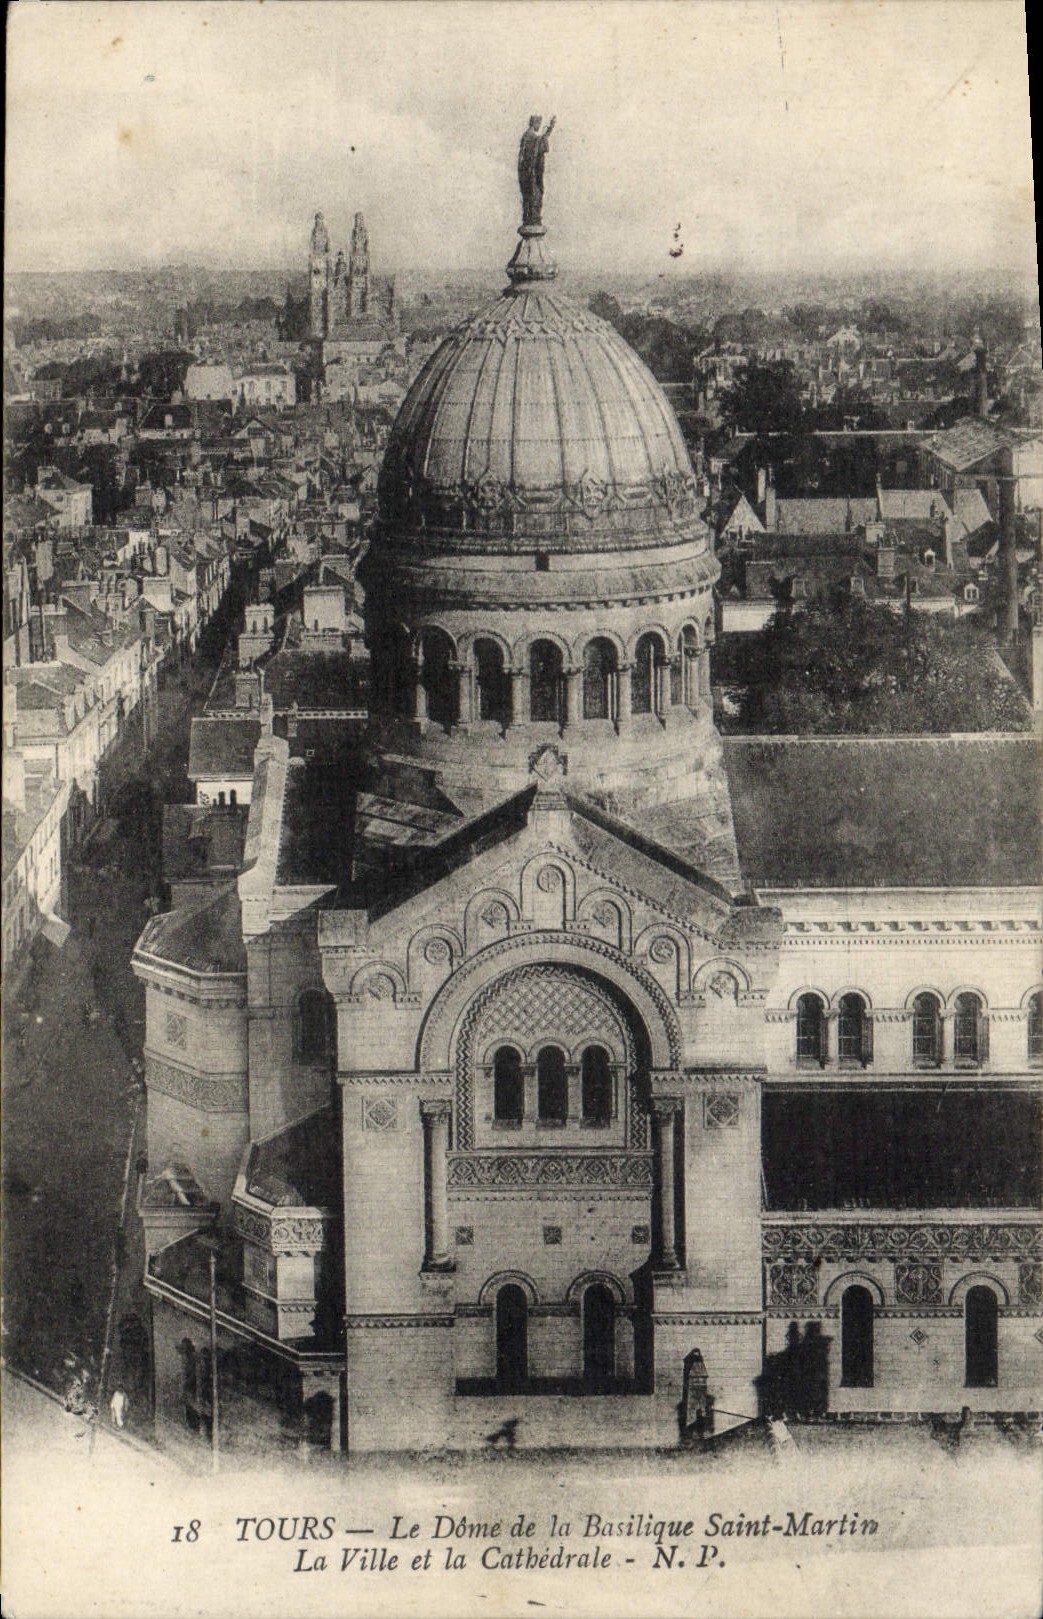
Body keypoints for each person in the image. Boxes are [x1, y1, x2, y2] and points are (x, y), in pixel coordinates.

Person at [518, 115, 557, 228]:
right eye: (539, 124)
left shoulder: (526, 137)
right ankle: (532, 217)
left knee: (531, 196)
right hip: (531, 175)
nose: (539, 126)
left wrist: (549, 130)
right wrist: (550, 128)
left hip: (527, 175)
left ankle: (531, 217)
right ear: (535, 123)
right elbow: (540, 142)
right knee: (534, 195)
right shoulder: (530, 137)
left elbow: (539, 142)